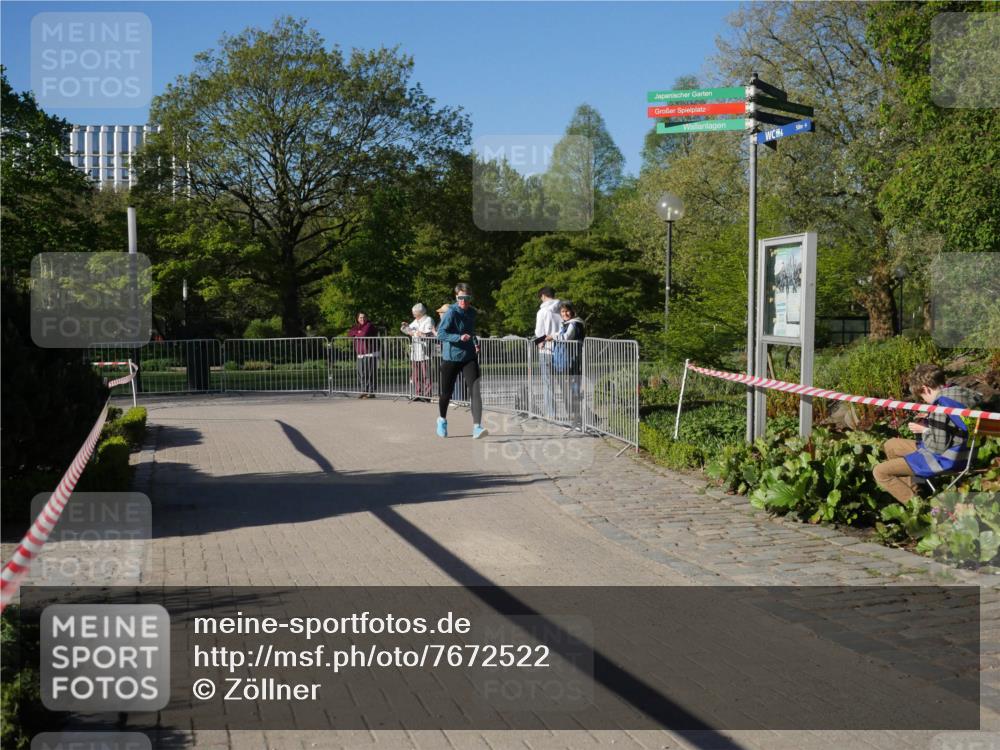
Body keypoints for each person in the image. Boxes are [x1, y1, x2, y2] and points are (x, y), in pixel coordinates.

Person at [873, 363, 983, 504]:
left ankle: (919, 506)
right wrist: (931, 418)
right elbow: (958, 424)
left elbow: (937, 447)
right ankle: (917, 490)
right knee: (891, 445)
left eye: (922, 397)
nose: (924, 401)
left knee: (880, 472)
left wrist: (924, 430)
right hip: (966, 453)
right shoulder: (959, 394)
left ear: (926, 389)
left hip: (947, 459)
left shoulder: (939, 406)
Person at [436, 283, 487, 439]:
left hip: (469, 357)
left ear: (470, 298)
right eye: (460, 298)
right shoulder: (451, 312)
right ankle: (442, 420)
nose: (463, 301)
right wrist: (458, 337)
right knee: (446, 393)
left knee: (475, 390)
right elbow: (441, 334)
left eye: (466, 298)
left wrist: (475, 342)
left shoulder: (472, 312)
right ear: (456, 297)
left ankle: (477, 427)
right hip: (451, 358)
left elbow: (471, 332)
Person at [546, 301, 586, 426]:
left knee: (573, 390)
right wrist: (549, 336)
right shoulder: (566, 324)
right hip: (564, 363)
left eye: (567, 311)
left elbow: (566, 337)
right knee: (567, 390)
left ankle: (577, 418)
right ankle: (573, 417)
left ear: (572, 311)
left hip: (572, 362)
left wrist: (552, 337)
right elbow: (560, 334)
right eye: (563, 311)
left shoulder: (574, 323)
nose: (565, 314)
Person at [534, 287, 562, 418]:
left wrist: (538, 342)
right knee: (564, 382)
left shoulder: (542, 311)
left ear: (543, 296)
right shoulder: (562, 309)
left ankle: (551, 413)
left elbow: (539, 332)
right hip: (562, 349)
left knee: (548, 383)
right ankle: (573, 411)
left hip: (546, 349)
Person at [401, 303, 436, 402]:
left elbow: (429, 334)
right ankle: (418, 393)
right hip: (415, 352)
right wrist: (405, 327)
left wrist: (417, 333)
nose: (413, 315)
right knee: (416, 375)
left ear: (420, 313)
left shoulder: (428, 319)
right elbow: (409, 331)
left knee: (426, 375)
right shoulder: (415, 321)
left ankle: (427, 395)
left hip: (425, 352)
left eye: (415, 313)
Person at [347, 312, 378, 398]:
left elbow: (363, 334)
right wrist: (358, 332)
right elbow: (350, 333)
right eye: (360, 317)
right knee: (361, 374)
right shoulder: (356, 326)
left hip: (370, 353)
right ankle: (363, 391)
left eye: (364, 317)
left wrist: (357, 334)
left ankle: (371, 392)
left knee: (370, 373)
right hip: (360, 353)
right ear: (358, 319)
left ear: (366, 318)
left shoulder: (369, 325)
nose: (362, 319)